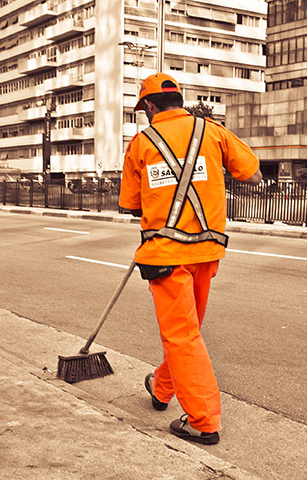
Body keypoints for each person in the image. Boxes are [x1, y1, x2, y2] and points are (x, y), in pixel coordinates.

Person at [119, 73, 262, 445]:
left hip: (166, 254)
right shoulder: (212, 131)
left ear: (149, 106)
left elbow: (132, 207)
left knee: (181, 335)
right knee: (188, 332)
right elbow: (254, 175)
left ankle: (203, 420)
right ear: (179, 100)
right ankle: (162, 388)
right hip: (207, 250)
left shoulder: (140, 143)